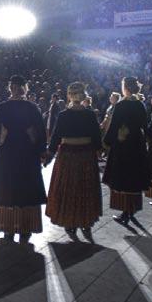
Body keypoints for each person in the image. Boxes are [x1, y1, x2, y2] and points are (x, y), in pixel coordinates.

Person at [0, 75, 47, 244]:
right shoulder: (8, 108)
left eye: (20, 86)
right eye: (14, 86)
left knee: (23, 190)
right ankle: (10, 228)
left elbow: (41, 134)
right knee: (10, 189)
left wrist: (42, 153)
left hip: (23, 156)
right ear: (11, 88)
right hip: (10, 156)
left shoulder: (29, 108)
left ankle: (24, 228)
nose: (17, 89)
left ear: (25, 88)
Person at [44, 82, 102, 242]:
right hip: (86, 156)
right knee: (85, 188)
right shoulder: (90, 115)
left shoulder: (63, 115)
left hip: (67, 156)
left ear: (69, 95)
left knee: (68, 188)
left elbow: (55, 139)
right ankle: (86, 221)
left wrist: (48, 156)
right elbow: (97, 140)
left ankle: (70, 222)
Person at [103, 77, 151, 227]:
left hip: (123, 144)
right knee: (134, 176)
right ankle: (132, 208)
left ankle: (125, 210)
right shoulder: (140, 105)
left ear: (125, 88)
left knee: (123, 176)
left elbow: (114, 125)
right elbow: (145, 124)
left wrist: (106, 141)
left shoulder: (122, 105)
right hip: (137, 144)